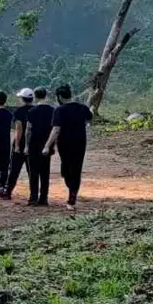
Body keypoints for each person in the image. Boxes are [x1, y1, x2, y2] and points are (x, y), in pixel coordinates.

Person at [45, 84, 94, 212]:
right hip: (79, 142)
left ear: (59, 97)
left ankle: (72, 197)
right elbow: (89, 119)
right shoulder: (82, 108)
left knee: (68, 169)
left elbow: (56, 129)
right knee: (73, 169)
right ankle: (73, 191)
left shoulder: (59, 110)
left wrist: (47, 146)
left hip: (65, 144)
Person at [25, 86, 56, 206]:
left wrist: (26, 146)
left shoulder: (32, 111)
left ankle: (33, 198)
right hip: (47, 144)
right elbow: (55, 128)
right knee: (45, 172)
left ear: (35, 96)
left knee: (34, 172)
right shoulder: (52, 110)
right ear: (45, 95)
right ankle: (44, 198)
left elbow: (28, 129)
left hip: (34, 144)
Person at [4, 88, 34, 201]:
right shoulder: (36, 110)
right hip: (33, 144)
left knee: (14, 169)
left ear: (22, 98)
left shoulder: (19, 112)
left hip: (20, 144)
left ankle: (8, 192)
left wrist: (17, 145)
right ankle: (34, 194)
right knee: (32, 171)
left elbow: (19, 129)